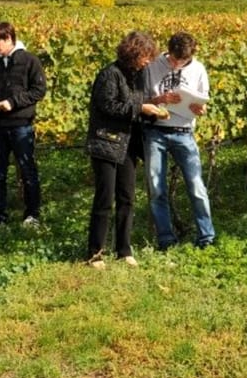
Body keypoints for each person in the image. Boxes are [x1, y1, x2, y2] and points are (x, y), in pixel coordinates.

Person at [85, 31, 165, 269]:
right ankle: (95, 253)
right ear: (133, 53)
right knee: (104, 199)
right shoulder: (109, 74)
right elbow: (108, 106)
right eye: (145, 56)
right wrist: (142, 108)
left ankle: (124, 250)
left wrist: (154, 111)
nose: (148, 61)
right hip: (106, 143)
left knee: (127, 198)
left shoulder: (138, 76)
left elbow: (137, 106)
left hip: (128, 145)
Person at [141, 32, 216, 249]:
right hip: (155, 131)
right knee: (156, 187)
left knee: (196, 186)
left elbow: (204, 103)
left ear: (191, 55)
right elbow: (141, 100)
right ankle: (166, 240)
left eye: (181, 62)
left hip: (184, 131)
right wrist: (160, 99)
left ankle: (206, 237)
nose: (175, 64)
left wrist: (199, 109)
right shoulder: (152, 65)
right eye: (173, 59)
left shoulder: (199, 69)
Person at [0, 22, 47, 235]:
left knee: (28, 171)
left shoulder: (29, 60)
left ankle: (32, 215)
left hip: (21, 125)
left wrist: (13, 102)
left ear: (9, 38)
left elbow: (38, 90)